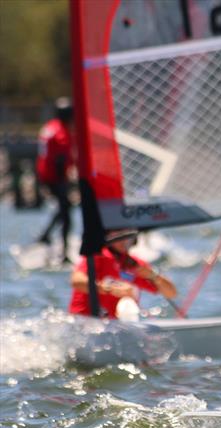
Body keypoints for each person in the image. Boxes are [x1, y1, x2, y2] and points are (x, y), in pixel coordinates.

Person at [69, 229, 177, 319]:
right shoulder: (98, 256)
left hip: (118, 327)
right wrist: (108, 288)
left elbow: (171, 293)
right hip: (87, 322)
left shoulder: (135, 264)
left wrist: (153, 276)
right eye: (117, 235)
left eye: (127, 236)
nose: (123, 241)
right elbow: (76, 281)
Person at [36, 97, 76, 261]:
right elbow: (59, 159)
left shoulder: (50, 127)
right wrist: (64, 182)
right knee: (66, 213)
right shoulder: (61, 132)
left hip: (45, 175)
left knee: (64, 208)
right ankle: (64, 252)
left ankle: (46, 235)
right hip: (55, 177)